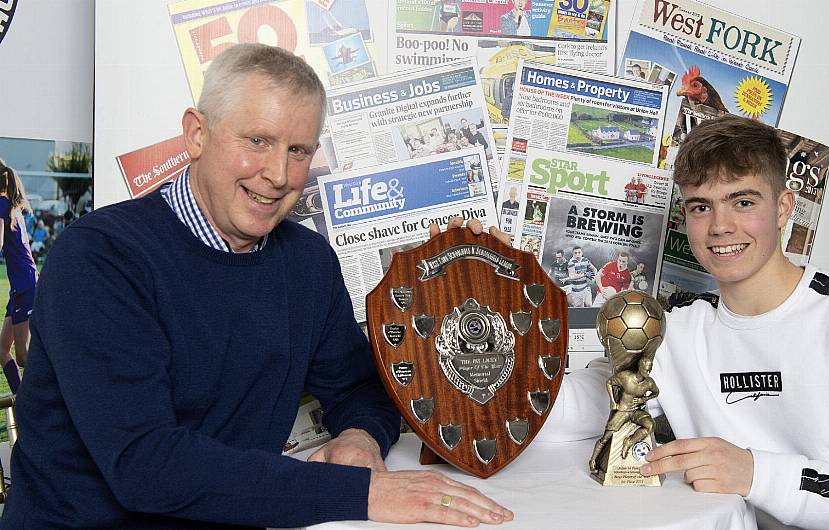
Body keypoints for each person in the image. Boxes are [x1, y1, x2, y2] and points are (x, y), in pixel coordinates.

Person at [1, 44, 512, 530]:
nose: (277, 174)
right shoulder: (99, 259)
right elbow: (145, 465)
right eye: (257, 141)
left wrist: (360, 437)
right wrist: (361, 493)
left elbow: (358, 385)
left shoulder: (307, 264)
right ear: (196, 134)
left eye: (297, 151)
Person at [543, 115, 829, 529]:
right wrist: (485, 290)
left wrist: (756, 474)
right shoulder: (675, 328)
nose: (720, 226)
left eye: (743, 202)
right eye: (701, 206)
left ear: (783, 207)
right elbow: (575, 412)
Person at [0, 161, 38, 394]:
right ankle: (23, 400)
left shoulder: (2, 204)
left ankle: (49, 395)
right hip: (21, 285)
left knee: (24, 357)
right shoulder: (10, 204)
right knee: (2, 349)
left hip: (25, 284)